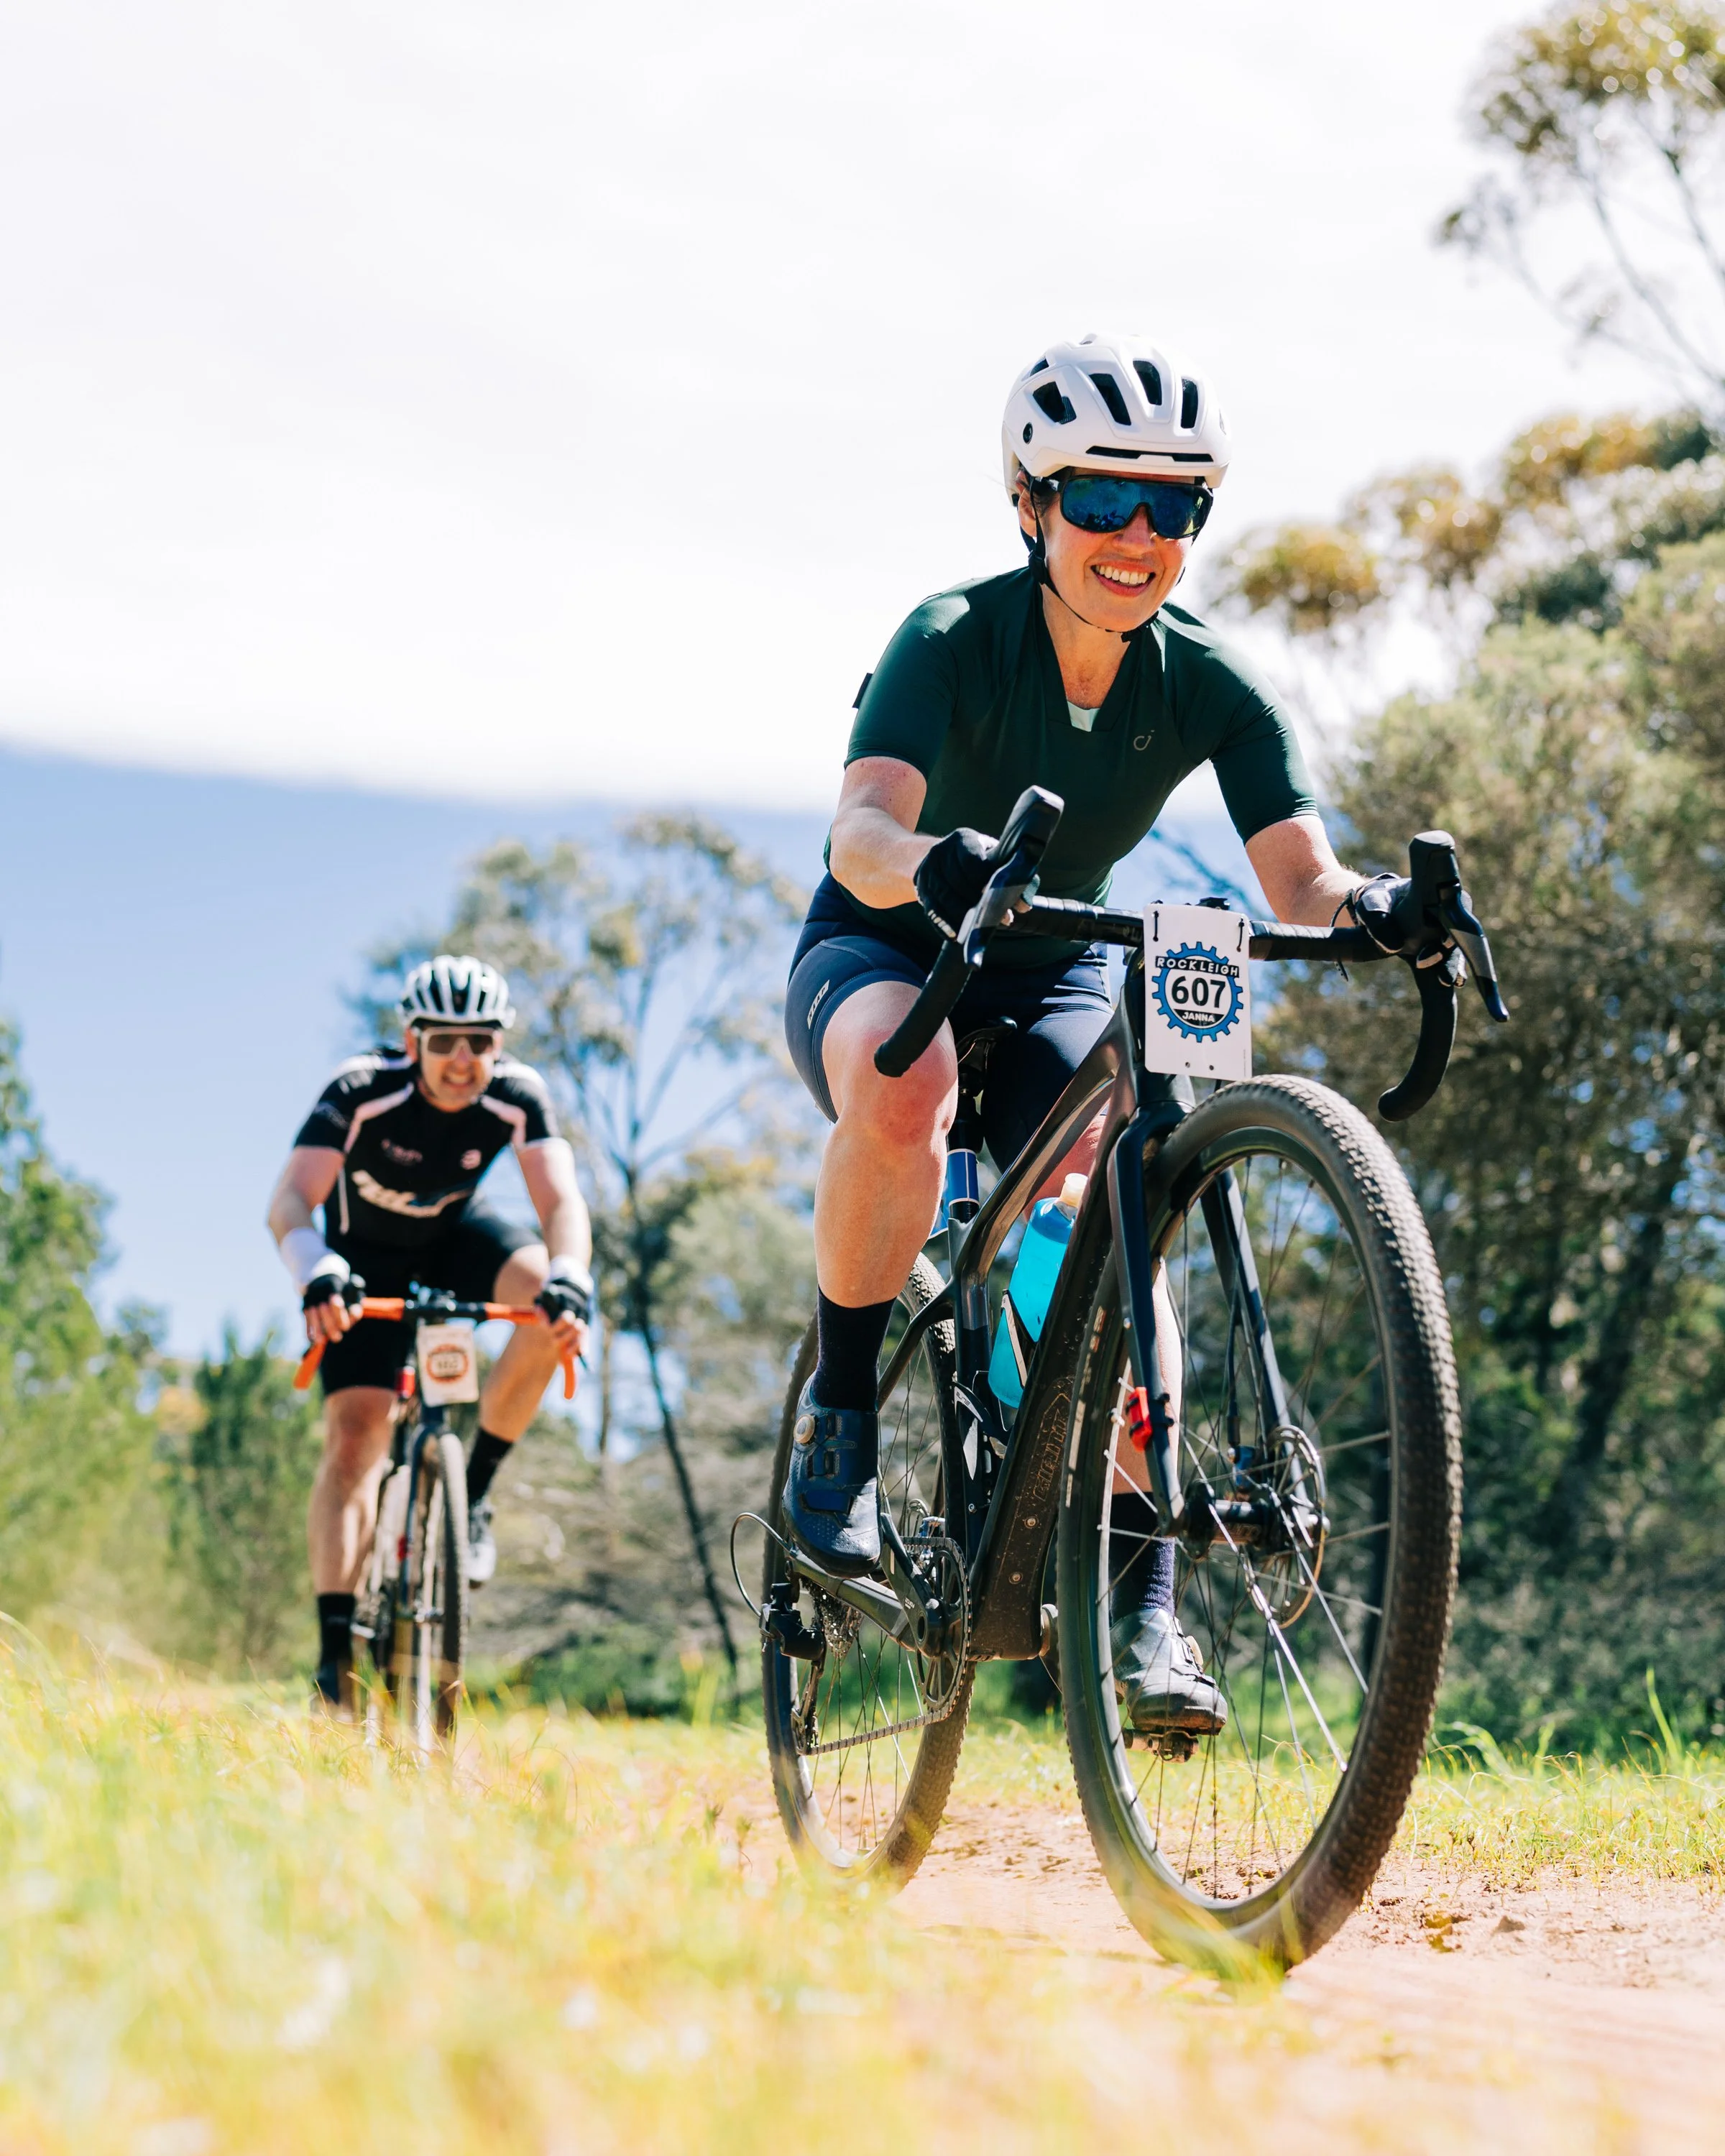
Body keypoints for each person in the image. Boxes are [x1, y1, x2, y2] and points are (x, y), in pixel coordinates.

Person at [781, 333, 1430, 1737]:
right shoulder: (951, 635)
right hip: (888, 939)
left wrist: (1378, 906)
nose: (1139, 537)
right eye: (1103, 500)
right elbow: (862, 830)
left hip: (1055, 954)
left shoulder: (1212, 682)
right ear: (1031, 504)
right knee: (913, 1083)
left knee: (1117, 1198)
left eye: (1177, 507)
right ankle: (837, 1431)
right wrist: (937, 860)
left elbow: (1302, 883)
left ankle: (1143, 1609)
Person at [266, 954, 594, 1711]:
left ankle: (469, 1493)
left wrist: (572, 1273)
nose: (462, 1060)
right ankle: (333, 1654)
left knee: (554, 1302)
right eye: (444, 1042)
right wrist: (315, 1269)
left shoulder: (518, 1094)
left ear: (498, 1047)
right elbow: (289, 1203)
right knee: (356, 1436)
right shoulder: (360, 1090)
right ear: (412, 1042)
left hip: (454, 1237)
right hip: (360, 1257)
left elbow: (562, 1202)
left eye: (480, 1042)